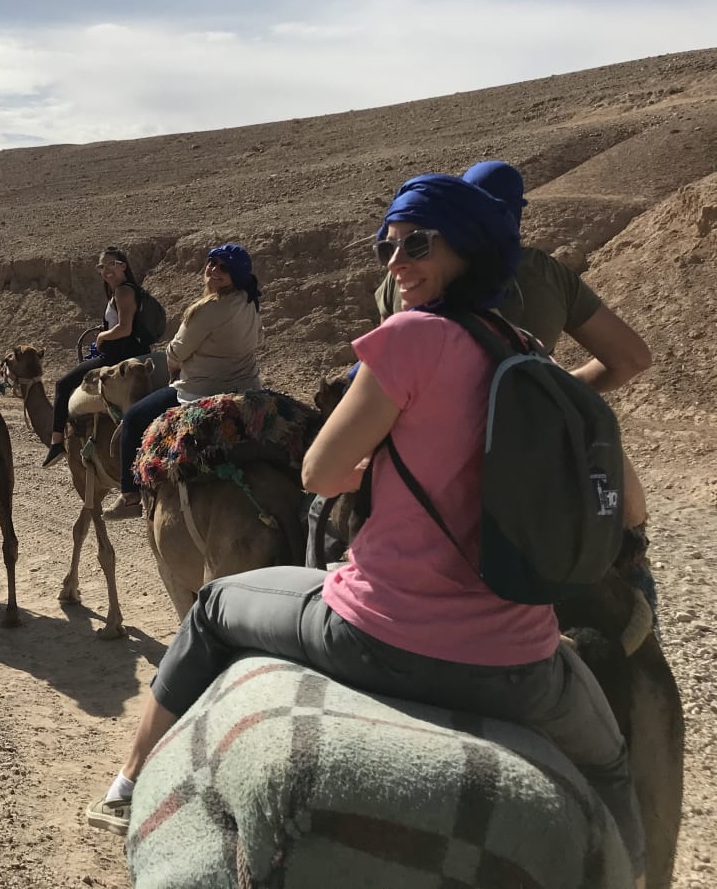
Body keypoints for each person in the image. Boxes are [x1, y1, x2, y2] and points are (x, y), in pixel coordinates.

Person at [89, 175, 646, 885]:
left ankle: (129, 783)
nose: (395, 262)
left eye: (416, 243)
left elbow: (320, 473)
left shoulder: (409, 336)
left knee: (212, 610)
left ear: (468, 249)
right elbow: (618, 497)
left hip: (381, 635)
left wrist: (376, 464)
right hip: (521, 663)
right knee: (614, 766)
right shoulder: (529, 349)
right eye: (387, 247)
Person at [376, 160, 651, 392]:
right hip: (532, 441)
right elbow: (631, 358)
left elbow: (382, 374)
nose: (395, 260)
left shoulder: (408, 278)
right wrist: (556, 392)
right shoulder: (543, 272)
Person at [101, 244, 263, 519]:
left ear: (237, 274)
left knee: (134, 418)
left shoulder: (207, 309)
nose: (214, 270)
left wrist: (178, 364)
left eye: (224, 267)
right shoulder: (250, 302)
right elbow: (258, 340)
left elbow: (175, 352)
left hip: (200, 391)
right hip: (247, 389)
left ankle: (129, 497)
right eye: (212, 263)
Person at [41, 246, 153, 468]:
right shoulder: (122, 291)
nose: (106, 270)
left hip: (116, 357)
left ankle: (56, 443)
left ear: (123, 266)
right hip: (127, 353)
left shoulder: (123, 292)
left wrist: (102, 336)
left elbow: (125, 328)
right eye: (102, 266)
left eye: (111, 264)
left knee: (63, 385)